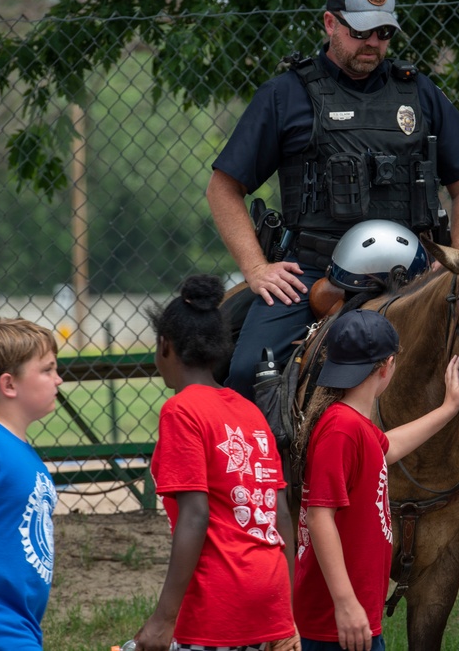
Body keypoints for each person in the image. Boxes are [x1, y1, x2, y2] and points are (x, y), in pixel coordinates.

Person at [207, 0, 459, 402]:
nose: (373, 43)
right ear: (330, 23)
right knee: (249, 370)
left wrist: (453, 266)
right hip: (312, 275)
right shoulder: (286, 94)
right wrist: (256, 268)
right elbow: (223, 189)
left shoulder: (419, 92)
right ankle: (264, 468)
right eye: (360, 32)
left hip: (412, 277)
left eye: (383, 33)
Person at [133, 276, 299, 651]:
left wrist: (163, 619)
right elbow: (282, 515)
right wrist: (286, 615)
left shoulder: (181, 411)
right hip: (269, 590)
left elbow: (195, 516)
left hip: (220, 599)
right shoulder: (251, 412)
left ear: (165, 347)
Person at [293, 309, 459, 651]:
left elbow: (388, 447)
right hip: (335, 621)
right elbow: (319, 517)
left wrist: (448, 410)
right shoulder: (342, 429)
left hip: (353, 615)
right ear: (387, 366)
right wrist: (345, 603)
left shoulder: (354, 425)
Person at [0, 318, 61, 651]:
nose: (59, 379)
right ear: (9, 385)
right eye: (48, 370)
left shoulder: (20, 452)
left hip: (18, 628)